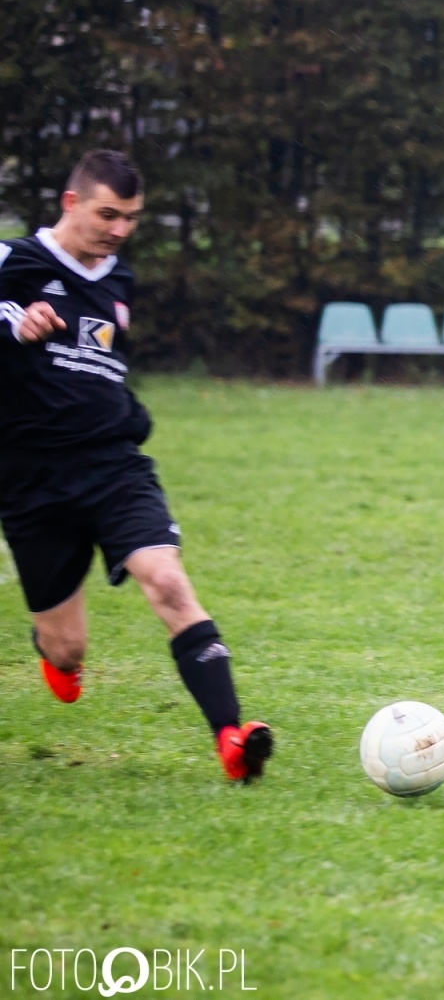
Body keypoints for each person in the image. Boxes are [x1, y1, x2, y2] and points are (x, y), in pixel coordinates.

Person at [0, 150, 273, 781]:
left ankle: (232, 737)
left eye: (131, 218)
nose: (119, 229)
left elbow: (98, 366)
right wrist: (14, 326)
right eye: (107, 214)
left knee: (169, 582)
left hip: (113, 466)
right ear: (71, 203)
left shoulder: (117, 280)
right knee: (67, 648)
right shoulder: (16, 262)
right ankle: (58, 660)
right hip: (31, 479)